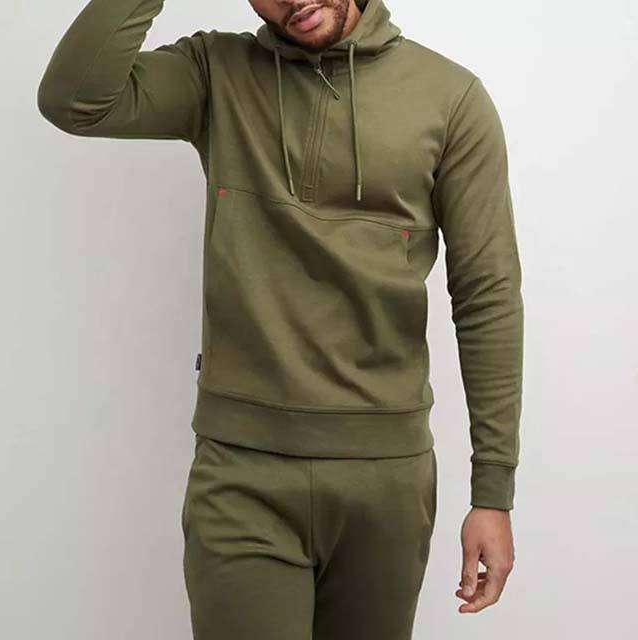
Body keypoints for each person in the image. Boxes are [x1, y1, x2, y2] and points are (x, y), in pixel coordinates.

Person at [37, 0, 524, 637]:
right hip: (242, 475)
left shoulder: (452, 98)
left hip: (386, 479)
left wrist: (493, 491)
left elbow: (487, 295)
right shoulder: (215, 72)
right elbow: (74, 101)